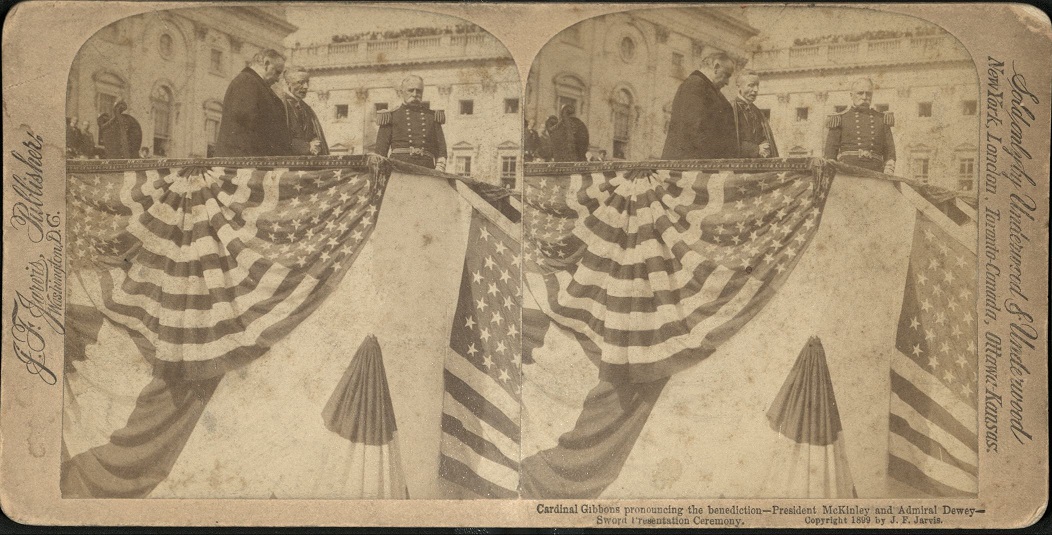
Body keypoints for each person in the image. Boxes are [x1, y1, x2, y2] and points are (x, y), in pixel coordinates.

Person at [661, 50, 739, 160]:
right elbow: (694, 131)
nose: (727, 82)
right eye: (726, 75)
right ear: (716, 67)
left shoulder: (707, 89)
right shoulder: (695, 85)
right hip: (687, 166)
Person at [215, 49, 291, 157]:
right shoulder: (246, 81)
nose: (278, 79)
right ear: (266, 63)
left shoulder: (255, 83)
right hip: (243, 161)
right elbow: (246, 123)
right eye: (277, 72)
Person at [374, 75, 447, 171]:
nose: (415, 94)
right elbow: (380, 152)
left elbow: (442, 149)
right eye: (410, 90)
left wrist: (439, 170)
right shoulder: (390, 117)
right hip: (398, 169)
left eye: (419, 91)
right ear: (401, 92)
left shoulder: (432, 116)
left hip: (426, 170)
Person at [823, 77, 896, 173]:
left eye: (868, 93)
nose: (865, 97)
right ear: (851, 95)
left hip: (876, 173)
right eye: (860, 93)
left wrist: (888, 172)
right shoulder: (840, 119)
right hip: (847, 173)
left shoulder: (882, 119)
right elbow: (830, 155)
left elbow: (890, 153)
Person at [281, 67, 329, 156]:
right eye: (301, 82)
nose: (306, 87)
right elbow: (280, 138)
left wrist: (316, 142)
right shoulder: (280, 105)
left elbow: (314, 133)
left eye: (307, 82)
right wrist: (307, 147)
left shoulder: (307, 108)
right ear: (288, 83)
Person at [732, 70, 778, 158]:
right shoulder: (729, 109)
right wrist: (756, 149)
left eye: (757, 86)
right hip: (737, 166)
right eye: (751, 85)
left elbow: (764, 136)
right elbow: (728, 140)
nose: (756, 90)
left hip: (757, 165)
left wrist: (765, 146)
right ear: (739, 87)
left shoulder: (757, 112)